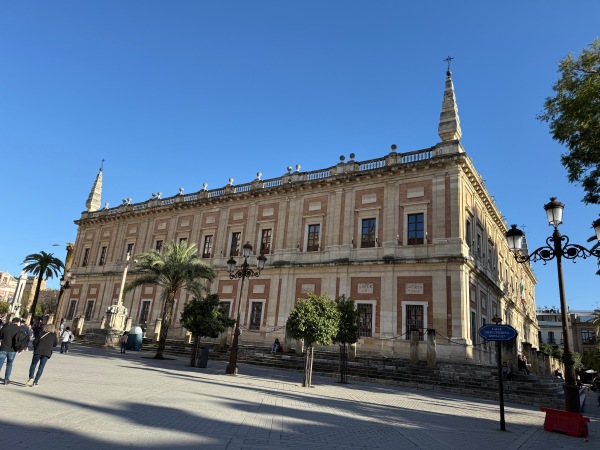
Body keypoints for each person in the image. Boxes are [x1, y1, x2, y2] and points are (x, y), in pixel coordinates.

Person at [0, 317, 23, 385]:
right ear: (18, 322)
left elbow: (0, 336)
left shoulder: (5, 327)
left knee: (0, 363)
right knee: (9, 364)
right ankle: (6, 380)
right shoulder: (20, 329)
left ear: (12, 321)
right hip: (13, 349)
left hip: (3, 348)